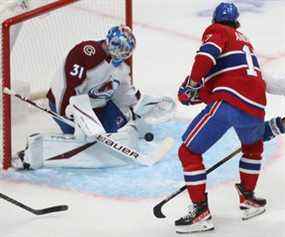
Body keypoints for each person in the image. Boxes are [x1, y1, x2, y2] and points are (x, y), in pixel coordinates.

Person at [175, 2, 269, 233]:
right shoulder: (245, 40)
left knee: (188, 152)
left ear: (214, 20)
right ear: (237, 21)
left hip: (230, 101)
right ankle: (249, 200)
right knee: (253, 145)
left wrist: (192, 84)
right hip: (256, 104)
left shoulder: (218, 31)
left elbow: (206, 56)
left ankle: (200, 212)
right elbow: (227, 76)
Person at [47, 25, 139, 136]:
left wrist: (137, 106)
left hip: (97, 104)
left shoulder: (122, 66)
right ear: (109, 40)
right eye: (118, 47)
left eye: (125, 51)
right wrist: (66, 110)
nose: (120, 53)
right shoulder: (86, 53)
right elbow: (68, 85)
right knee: (82, 142)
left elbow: (123, 91)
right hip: (67, 105)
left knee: (114, 133)